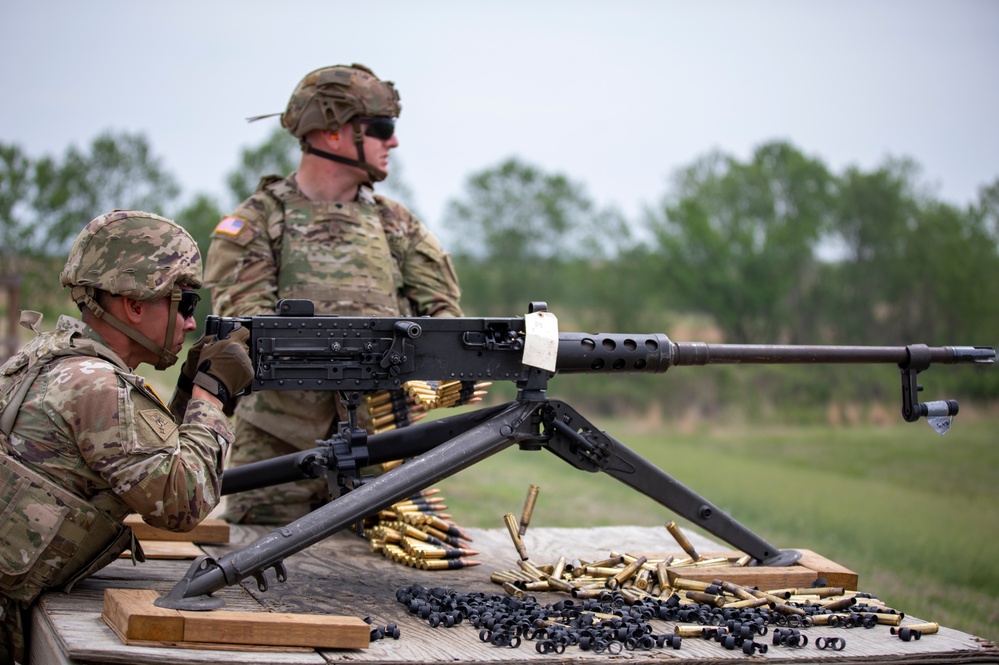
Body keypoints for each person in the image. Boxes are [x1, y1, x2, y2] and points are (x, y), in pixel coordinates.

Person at [204, 63, 463, 525]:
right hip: (276, 452)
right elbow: (248, 329)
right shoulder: (257, 223)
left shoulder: (395, 224)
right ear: (330, 133)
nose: (394, 142)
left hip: (381, 448)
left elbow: (446, 321)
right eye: (381, 128)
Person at [0, 210, 254, 665]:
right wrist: (209, 397)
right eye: (186, 303)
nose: (191, 323)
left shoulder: (51, 356)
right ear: (134, 305)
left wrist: (187, 394)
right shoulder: (98, 388)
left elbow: (145, 460)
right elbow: (181, 502)